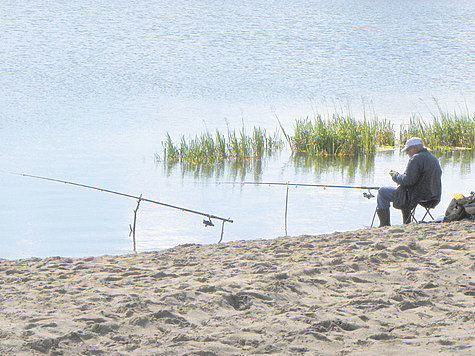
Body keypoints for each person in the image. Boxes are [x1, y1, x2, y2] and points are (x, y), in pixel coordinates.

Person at [376, 137, 442, 227]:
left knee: (382, 192)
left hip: (417, 196)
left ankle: (384, 225)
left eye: (407, 150)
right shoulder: (432, 158)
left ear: (414, 147)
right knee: (403, 190)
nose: (406, 153)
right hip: (433, 196)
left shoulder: (416, 158)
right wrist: (400, 177)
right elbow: (414, 180)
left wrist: (394, 176)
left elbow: (408, 180)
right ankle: (406, 223)